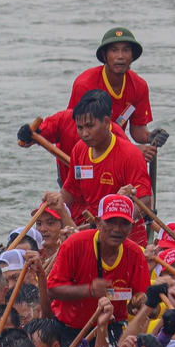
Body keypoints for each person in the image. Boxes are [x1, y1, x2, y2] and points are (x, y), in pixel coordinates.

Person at [46, 194, 150, 344]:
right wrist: (89, 291)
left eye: (124, 223)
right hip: (70, 328)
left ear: (131, 227)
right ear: (98, 222)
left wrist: (140, 302)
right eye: (111, 222)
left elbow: (140, 299)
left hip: (112, 326)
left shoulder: (135, 254)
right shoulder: (74, 244)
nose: (117, 229)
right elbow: (52, 290)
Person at [61, 91, 153, 245]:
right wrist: (52, 207)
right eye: (80, 127)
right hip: (93, 229)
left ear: (106, 122)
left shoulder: (130, 155)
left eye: (90, 126)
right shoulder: (79, 149)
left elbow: (145, 201)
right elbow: (70, 190)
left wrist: (113, 223)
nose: (84, 134)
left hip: (126, 238)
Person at [67, 27, 157, 157]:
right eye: (114, 50)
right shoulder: (85, 85)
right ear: (104, 55)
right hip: (77, 152)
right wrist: (131, 149)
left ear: (132, 56)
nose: (120, 56)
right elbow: (78, 132)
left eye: (126, 50)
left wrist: (150, 137)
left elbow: (137, 129)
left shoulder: (139, 86)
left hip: (113, 151)